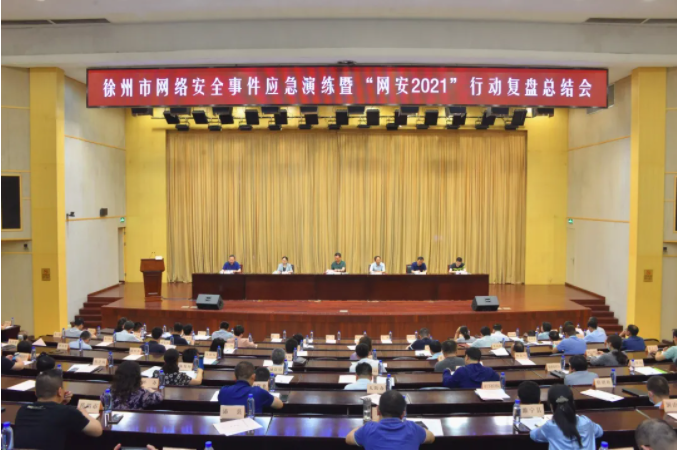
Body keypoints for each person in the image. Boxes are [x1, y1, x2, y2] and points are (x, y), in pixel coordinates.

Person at [14, 369, 102, 449]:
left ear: (35, 393)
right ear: (60, 391)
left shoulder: (22, 410)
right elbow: (97, 431)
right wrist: (84, 414)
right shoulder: (67, 412)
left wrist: (61, 403)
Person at [345, 390, 434, 450]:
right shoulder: (413, 428)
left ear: (378, 410)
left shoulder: (368, 429)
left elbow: (348, 438)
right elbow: (431, 437)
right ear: (403, 413)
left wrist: (367, 425)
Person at [529, 384, 603, 450]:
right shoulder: (586, 422)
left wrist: (542, 426)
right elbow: (600, 431)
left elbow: (534, 435)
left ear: (551, 406)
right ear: (572, 403)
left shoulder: (550, 426)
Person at [218, 361, 283, 413]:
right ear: (253, 377)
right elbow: (280, 405)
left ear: (234, 377)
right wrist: (266, 393)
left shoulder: (223, 391)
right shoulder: (258, 392)